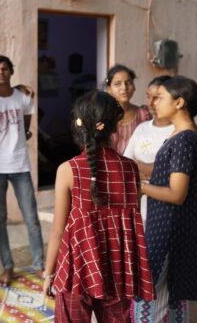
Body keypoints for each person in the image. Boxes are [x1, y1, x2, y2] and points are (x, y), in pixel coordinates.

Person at [42, 90, 154, 322]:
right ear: (115, 128)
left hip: (77, 268)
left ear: (77, 126)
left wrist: (49, 273)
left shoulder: (68, 170)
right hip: (118, 267)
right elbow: (129, 223)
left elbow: (58, 230)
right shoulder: (130, 169)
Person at [132, 76, 197, 322]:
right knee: (173, 297)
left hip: (168, 232)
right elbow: (166, 178)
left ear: (178, 103)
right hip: (172, 229)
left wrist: (142, 189)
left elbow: (177, 194)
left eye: (161, 98)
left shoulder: (184, 140)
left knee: (151, 300)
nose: (154, 103)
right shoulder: (183, 137)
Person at [0, 55, 44, 286]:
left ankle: (39, 265)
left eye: (5, 69)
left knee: (31, 218)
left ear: (11, 71)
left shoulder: (24, 97)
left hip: (20, 166)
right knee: (0, 219)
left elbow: (26, 127)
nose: (1, 72)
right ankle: (7, 266)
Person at [123, 75, 174, 220]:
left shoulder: (177, 131)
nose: (151, 103)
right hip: (141, 210)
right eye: (148, 97)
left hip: (166, 211)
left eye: (157, 97)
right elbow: (126, 164)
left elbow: (171, 172)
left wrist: (140, 167)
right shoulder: (142, 128)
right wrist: (144, 171)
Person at [105, 64, 151, 155]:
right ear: (109, 89)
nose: (124, 88)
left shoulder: (144, 115)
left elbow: (148, 146)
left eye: (128, 83)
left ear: (134, 87)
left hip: (136, 167)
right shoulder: (103, 116)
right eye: (117, 84)